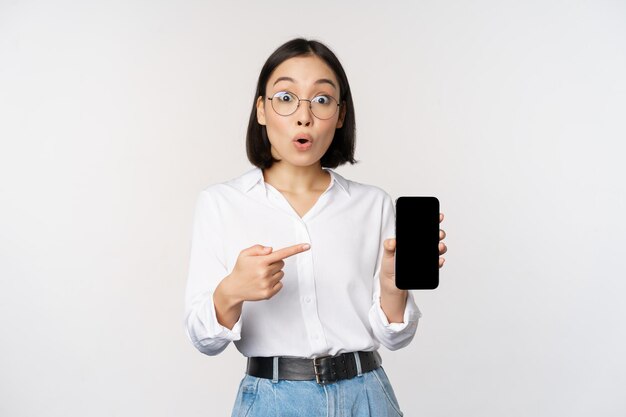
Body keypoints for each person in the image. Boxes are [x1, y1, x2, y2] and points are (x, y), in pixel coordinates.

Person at [184, 37, 448, 417]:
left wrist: (393, 286)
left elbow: (397, 336)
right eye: (286, 97)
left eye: (322, 100)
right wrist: (232, 291)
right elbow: (203, 339)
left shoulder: (372, 204)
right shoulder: (221, 204)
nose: (304, 116)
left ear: (340, 115)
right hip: (273, 402)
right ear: (261, 110)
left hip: (368, 396)